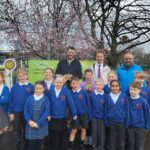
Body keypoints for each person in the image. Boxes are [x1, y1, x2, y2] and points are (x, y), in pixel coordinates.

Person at [49, 75, 77, 150]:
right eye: (57, 82)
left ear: (63, 83)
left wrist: (74, 114)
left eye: (60, 82)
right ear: (54, 82)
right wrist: (48, 114)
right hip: (53, 116)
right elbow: (48, 103)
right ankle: (54, 147)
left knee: (62, 134)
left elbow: (71, 103)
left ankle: (62, 147)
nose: (58, 84)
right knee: (53, 134)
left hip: (62, 117)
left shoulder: (66, 91)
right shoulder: (51, 90)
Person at [8, 68, 34, 150]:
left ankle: (26, 147)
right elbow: (11, 99)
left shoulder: (31, 86)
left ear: (27, 76)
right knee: (16, 132)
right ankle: (17, 147)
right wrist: (10, 112)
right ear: (18, 77)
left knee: (27, 131)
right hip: (17, 112)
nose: (22, 77)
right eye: (20, 76)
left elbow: (34, 99)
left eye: (24, 75)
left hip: (28, 113)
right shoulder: (14, 87)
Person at [24, 81, 50, 150]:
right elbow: (26, 110)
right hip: (31, 124)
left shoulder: (46, 99)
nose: (38, 90)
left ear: (43, 89)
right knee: (31, 144)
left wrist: (38, 123)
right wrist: (29, 121)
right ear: (34, 89)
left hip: (41, 125)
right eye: (36, 88)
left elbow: (46, 112)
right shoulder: (30, 98)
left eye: (40, 88)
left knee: (39, 143)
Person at [105, 80, 129, 150]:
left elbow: (126, 110)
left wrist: (127, 122)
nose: (115, 88)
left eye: (116, 86)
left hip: (121, 121)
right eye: (113, 86)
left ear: (119, 87)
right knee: (112, 139)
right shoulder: (107, 96)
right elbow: (105, 110)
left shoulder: (123, 96)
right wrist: (106, 122)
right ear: (110, 87)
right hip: (111, 122)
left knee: (121, 140)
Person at [68, 77, 91, 150]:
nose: (75, 85)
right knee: (74, 130)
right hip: (75, 115)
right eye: (73, 83)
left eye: (76, 83)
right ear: (71, 84)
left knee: (84, 129)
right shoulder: (69, 92)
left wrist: (89, 114)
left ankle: (82, 144)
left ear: (79, 84)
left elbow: (88, 103)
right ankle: (71, 144)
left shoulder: (83, 92)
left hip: (84, 114)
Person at [127, 82, 150, 150]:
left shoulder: (143, 101)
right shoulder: (127, 100)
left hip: (141, 127)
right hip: (130, 126)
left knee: (139, 145)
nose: (132, 91)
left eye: (135, 89)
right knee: (131, 144)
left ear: (139, 91)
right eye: (131, 89)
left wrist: (147, 126)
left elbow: (147, 114)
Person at [89, 78, 106, 150]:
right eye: (97, 85)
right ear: (95, 85)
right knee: (94, 133)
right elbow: (89, 106)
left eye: (100, 85)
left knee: (101, 133)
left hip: (102, 118)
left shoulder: (106, 95)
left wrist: (105, 117)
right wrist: (90, 117)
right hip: (94, 117)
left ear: (103, 86)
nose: (99, 86)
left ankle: (101, 147)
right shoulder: (91, 95)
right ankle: (94, 147)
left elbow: (106, 108)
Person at [0, 72, 9, 145]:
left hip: (2, 111)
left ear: (2, 78)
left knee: (1, 129)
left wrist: (2, 98)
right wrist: (1, 97)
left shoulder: (6, 88)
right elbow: (2, 99)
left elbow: (5, 100)